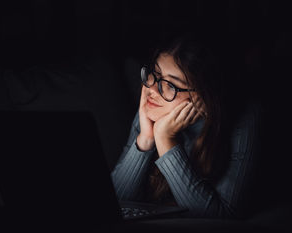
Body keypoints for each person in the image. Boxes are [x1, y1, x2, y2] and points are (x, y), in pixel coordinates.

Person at [111, 31, 260, 218]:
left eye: (171, 85)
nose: (152, 90)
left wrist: (166, 140)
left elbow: (221, 221)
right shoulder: (153, 108)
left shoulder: (244, 119)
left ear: (204, 96)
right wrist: (146, 139)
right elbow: (115, 205)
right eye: (154, 74)